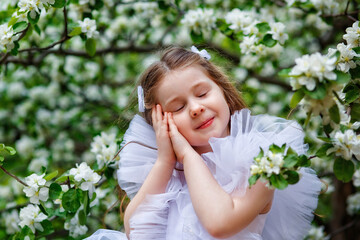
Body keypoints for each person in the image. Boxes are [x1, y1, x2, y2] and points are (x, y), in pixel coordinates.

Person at [86, 46, 321, 240]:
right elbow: (135, 231)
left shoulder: (262, 159)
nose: (196, 109)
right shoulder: (171, 176)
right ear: (162, 123)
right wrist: (166, 161)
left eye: (202, 94)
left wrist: (188, 156)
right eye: (178, 107)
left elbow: (220, 223)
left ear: (222, 90)